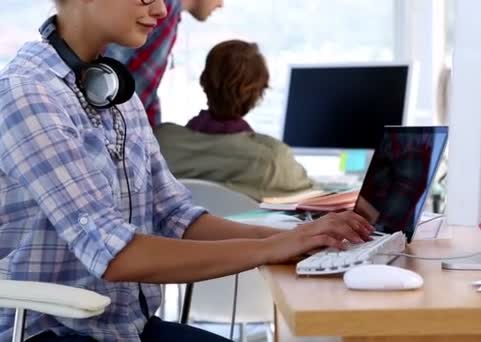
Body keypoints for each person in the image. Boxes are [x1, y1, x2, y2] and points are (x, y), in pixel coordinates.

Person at [0, 1, 372, 341]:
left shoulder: (113, 92)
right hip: (51, 333)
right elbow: (115, 255)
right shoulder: (28, 95)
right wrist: (272, 247)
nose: (161, 10)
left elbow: (175, 214)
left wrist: (299, 238)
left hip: (126, 328)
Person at [154, 40, 316, 201]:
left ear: (203, 80)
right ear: (259, 92)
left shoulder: (158, 142)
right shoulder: (272, 159)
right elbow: (315, 197)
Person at [105, 0, 224, 127]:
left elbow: (146, 87)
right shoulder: (161, 8)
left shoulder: (169, 12)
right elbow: (106, 63)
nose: (221, 4)